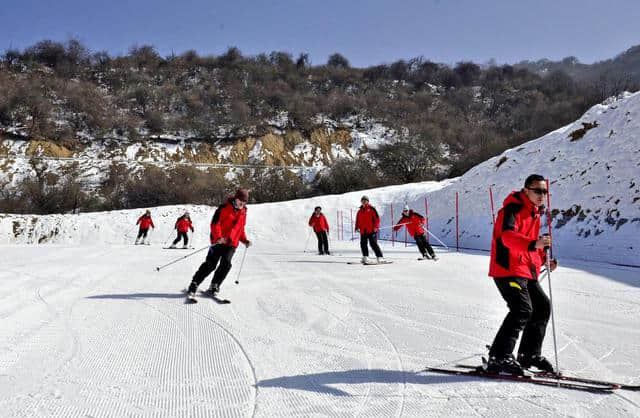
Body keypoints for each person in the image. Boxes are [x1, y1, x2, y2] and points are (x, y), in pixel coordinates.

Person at [487, 174, 558, 375]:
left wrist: (544, 261)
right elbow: (508, 238)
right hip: (506, 269)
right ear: (526, 190)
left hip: (524, 270)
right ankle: (499, 356)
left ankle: (529, 354)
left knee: (542, 307)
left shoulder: (534, 213)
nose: (542, 195)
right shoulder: (512, 209)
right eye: (538, 191)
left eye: (545, 191)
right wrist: (534, 244)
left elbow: (529, 248)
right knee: (522, 309)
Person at [187, 188, 251, 297]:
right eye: (241, 200)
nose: (242, 203)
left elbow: (240, 229)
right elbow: (215, 224)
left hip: (231, 243)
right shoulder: (224, 208)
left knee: (226, 263)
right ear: (236, 198)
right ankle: (194, 283)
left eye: (244, 201)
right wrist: (218, 237)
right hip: (218, 241)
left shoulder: (243, 212)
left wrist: (244, 240)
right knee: (211, 264)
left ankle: (215, 285)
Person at [355, 195, 385, 264]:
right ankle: (365, 256)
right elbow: (357, 220)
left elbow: (377, 219)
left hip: (371, 230)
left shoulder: (372, 209)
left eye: (365, 200)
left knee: (373, 244)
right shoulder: (359, 211)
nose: (364, 202)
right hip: (363, 231)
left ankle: (380, 257)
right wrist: (356, 227)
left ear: (368, 201)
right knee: (363, 244)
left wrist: (376, 227)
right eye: (362, 200)